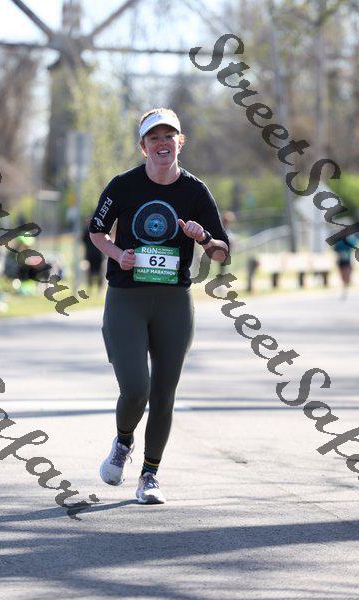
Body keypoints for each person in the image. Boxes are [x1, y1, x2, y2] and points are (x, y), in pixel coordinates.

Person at [89, 108, 229, 504]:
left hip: (173, 303)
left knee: (164, 395)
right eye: (154, 137)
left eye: (169, 136)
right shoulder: (123, 185)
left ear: (180, 142)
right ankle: (123, 442)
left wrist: (205, 239)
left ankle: (149, 476)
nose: (162, 143)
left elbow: (222, 252)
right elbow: (96, 231)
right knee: (136, 389)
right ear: (144, 146)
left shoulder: (195, 191)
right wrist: (118, 254)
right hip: (127, 299)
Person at [82, 221, 104, 294]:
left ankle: (97, 288)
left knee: (97, 272)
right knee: (92, 272)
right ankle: (92, 288)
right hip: (93, 254)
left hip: (95, 254)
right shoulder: (97, 229)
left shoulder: (91, 230)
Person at [333, 234, 358, 298]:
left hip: (347, 261)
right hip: (341, 261)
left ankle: (345, 286)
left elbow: (354, 245)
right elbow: (335, 249)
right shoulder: (338, 242)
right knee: (343, 275)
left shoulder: (349, 241)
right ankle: (344, 285)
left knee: (347, 274)